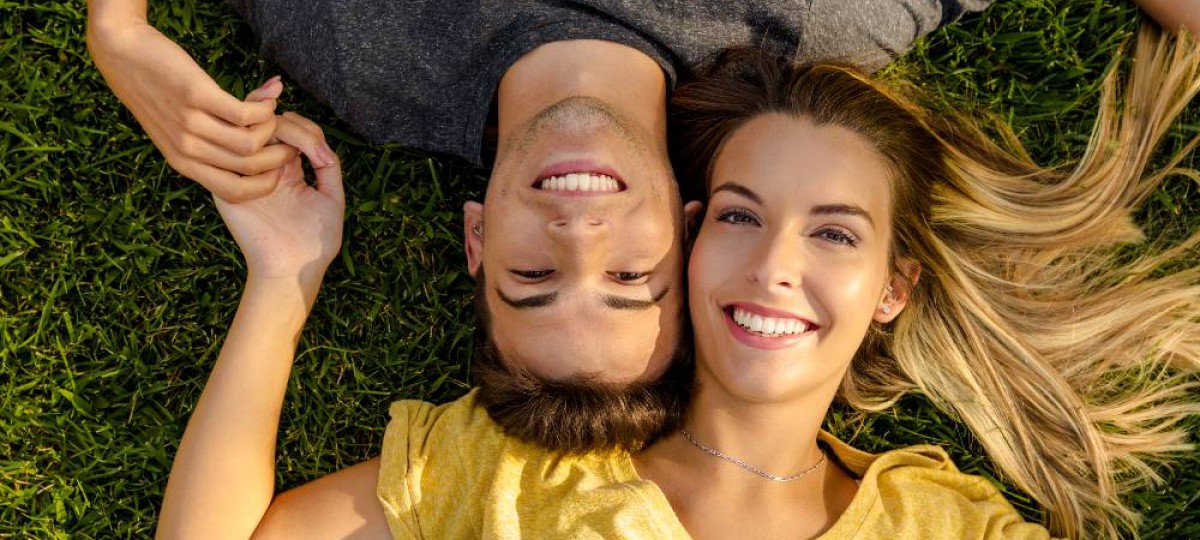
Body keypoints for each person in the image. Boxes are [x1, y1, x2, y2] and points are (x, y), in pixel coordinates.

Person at [375, 24, 1199, 539]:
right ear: (689, 238)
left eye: (835, 233)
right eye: (740, 217)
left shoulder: (947, 528)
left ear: (892, 289)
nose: (773, 267)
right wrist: (278, 282)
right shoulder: (517, 480)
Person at [87, 1, 997, 454]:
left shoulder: (364, 57)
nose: (579, 232)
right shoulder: (808, 27)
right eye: (633, 280)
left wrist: (118, 28)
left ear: (477, 241)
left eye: (533, 280)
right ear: (690, 232)